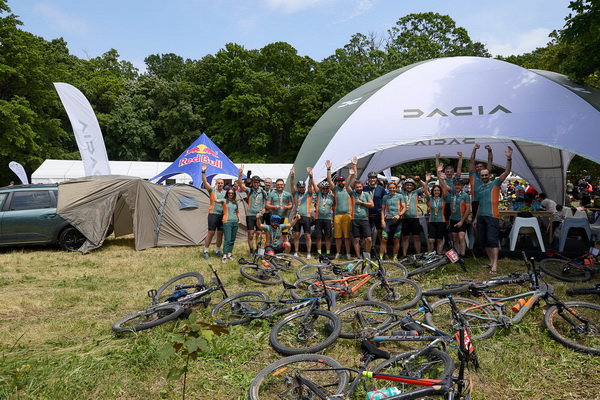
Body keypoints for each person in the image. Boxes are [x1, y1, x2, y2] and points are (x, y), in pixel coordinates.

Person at [472, 145, 513, 273]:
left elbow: (506, 172)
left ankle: (495, 264)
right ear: (480, 176)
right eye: (482, 175)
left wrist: (509, 159)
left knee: (492, 241)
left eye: (486, 175)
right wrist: (475, 218)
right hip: (481, 217)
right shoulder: (479, 188)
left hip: (492, 216)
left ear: (489, 175)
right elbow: (479, 204)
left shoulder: (495, 183)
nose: (484, 177)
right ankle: (490, 261)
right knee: (484, 241)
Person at [399, 174, 430, 257]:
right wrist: (400, 179)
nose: (409, 187)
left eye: (411, 185)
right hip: (404, 218)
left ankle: (418, 254)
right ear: (404, 186)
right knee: (405, 237)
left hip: (415, 218)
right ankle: (404, 255)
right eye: (407, 185)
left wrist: (419, 180)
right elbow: (393, 186)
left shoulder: (416, 192)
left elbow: (426, 187)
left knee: (416, 237)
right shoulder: (402, 193)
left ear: (413, 186)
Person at [347, 164, 374, 258]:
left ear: (362, 186)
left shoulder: (366, 194)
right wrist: (350, 175)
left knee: (368, 239)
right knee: (356, 239)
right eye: (357, 187)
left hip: (364, 219)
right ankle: (359, 256)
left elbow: (372, 205)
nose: (359, 188)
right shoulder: (352, 194)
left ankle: (367, 255)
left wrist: (362, 203)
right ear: (354, 188)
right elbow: (346, 185)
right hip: (355, 219)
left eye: (360, 187)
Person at [327, 160, 352, 260]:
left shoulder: (348, 189)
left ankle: (348, 253)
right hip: (337, 215)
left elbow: (350, 181)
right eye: (339, 181)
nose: (340, 182)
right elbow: (329, 180)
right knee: (337, 236)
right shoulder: (335, 190)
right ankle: (338, 252)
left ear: (345, 182)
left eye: (342, 181)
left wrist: (350, 175)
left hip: (347, 214)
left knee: (347, 236)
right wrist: (329, 169)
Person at [238, 167, 267, 255]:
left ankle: (258, 250)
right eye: (254, 182)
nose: (256, 184)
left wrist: (264, 208)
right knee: (250, 234)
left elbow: (266, 200)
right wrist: (240, 174)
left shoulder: (262, 191)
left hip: (259, 215)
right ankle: (251, 251)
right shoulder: (249, 190)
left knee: (259, 233)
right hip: (250, 214)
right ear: (252, 182)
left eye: (257, 182)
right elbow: (240, 184)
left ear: (259, 183)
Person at [201, 163, 225, 259]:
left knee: (220, 233)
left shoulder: (226, 192)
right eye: (218, 183)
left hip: (222, 215)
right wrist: (203, 172)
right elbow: (205, 182)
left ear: (223, 184)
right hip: (213, 214)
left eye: (221, 183)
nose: (220, 184)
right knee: (211, 233)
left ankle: (217, 251)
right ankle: (206, 251)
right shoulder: (212, 190)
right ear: (216, 184)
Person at [290, 166, 314, 259]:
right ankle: (296, 251)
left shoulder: (308, 194)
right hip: (297, 216)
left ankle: (309, 252)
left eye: (303, 187)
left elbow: (310, 186)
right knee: (296, 235)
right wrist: (292, 176)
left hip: (306, 216)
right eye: (300, 187)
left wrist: (310, 176)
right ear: (298, 188)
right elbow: (292, 184)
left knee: (307, 235)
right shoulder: (295, 194)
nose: (301, 189)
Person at [424, 165, 448, 255]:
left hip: (441, 221)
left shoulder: (443, 198)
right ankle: (430, 255)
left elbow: (445, 188)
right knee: (431, 240)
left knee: (439, 240)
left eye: (438, 190)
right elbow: (425, 190)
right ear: (433, 191)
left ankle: (439, 255)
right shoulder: (430, 199)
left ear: (440, 191)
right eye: (435, 190)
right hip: (432, 221)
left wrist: (442, 179)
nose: (436, 192)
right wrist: (427, 181)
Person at [380, 181, 406, 260]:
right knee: (384, 239)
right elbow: (382, 210)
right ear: (388, 188)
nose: (392, 189)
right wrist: (382, 220)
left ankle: (395, 257)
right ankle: (381, 257)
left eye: (393, 188)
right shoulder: (385, 197)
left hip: (397, 221)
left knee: (396, 239)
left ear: (396, 188)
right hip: (388, 220)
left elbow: (404, 208)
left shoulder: (400, 196)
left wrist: (399, 214)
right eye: (390, 188)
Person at [468, 144, 493, 221]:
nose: (479, 168)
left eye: (480, 166)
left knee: (486, 219)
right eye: (477, 167)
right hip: (475, 201)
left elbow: (490, 161)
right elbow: (472, 160)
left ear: (484, 168)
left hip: (486, 200)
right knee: (476, 221)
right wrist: (474, 149)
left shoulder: (485, 174)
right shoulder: (473, 175)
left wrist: (489, 151)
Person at [448, 179, 471, 258]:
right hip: (453, 219)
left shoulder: (465, 195)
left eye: (459, 185)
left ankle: (462, 255)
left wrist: (461, 221)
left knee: (461, 237)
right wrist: (440, 176)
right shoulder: (452, 193)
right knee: (455, 237)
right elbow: (444, 186)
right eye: (455, 185)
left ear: (462, 186)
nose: (457, 186)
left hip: (462, 220)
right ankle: (457, 255)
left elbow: (468, 210)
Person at [215, 188, 240, 262]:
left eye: (232, 193)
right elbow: (215, 200)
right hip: (227, 222)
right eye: (229, 193)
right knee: (227, 239)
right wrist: (215, 190)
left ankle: (229, 254)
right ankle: (224, 255)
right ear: (227, 193)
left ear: (234, 194)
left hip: (235, 222)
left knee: (232, 239)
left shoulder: (235, 202)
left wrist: (239, 218)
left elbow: (237, 211)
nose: (231, 194)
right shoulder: (224, 200)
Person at [364, 171, 386, 250]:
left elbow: (384, 201)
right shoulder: (365, 188)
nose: (372, 179)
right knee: (367, 234)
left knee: (380, 233)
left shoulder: (381, 189)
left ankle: (383, 251)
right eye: (370, 178)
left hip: (378, 213)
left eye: (374, 178)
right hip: (367, 213)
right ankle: (367, 251)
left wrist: (384, 214)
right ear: (368, 179)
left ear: (376, 179)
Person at [312, 178, 335, 257]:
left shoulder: (332, 197)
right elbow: (314, 185)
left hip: (328, 219)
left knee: (328, 237)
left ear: (329, 188)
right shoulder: (319, 194)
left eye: (326, 188)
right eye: (323, 188)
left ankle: (328, 253)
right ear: (321, 189)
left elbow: (334, 209)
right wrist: (311, 177)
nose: (325, 190)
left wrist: (333, 220)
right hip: (318, 218)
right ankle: (319, 253)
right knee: (318, 236)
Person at [266, 178, 293, 243]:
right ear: (276, 185)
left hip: (284, 217)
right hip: (274, 217)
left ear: (284, 185)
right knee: (274, 234)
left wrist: (287, 207)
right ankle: (274, 247)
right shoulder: (272, 194)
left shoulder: (288, 194)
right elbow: (267, 205)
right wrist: (274, 207)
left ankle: (285, 248)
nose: (280, 186)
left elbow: (291, 205)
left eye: (281, 184)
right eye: (278, 185)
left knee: (285, 235)